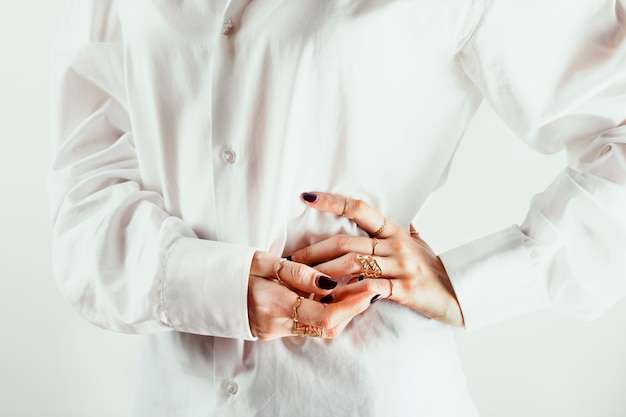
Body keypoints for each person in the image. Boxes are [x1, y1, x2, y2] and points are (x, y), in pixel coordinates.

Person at [48, 0, 626, 416]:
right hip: (172, 395)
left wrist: (470, 282)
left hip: (368, 394)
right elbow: (86, 188)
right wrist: (209, 284)